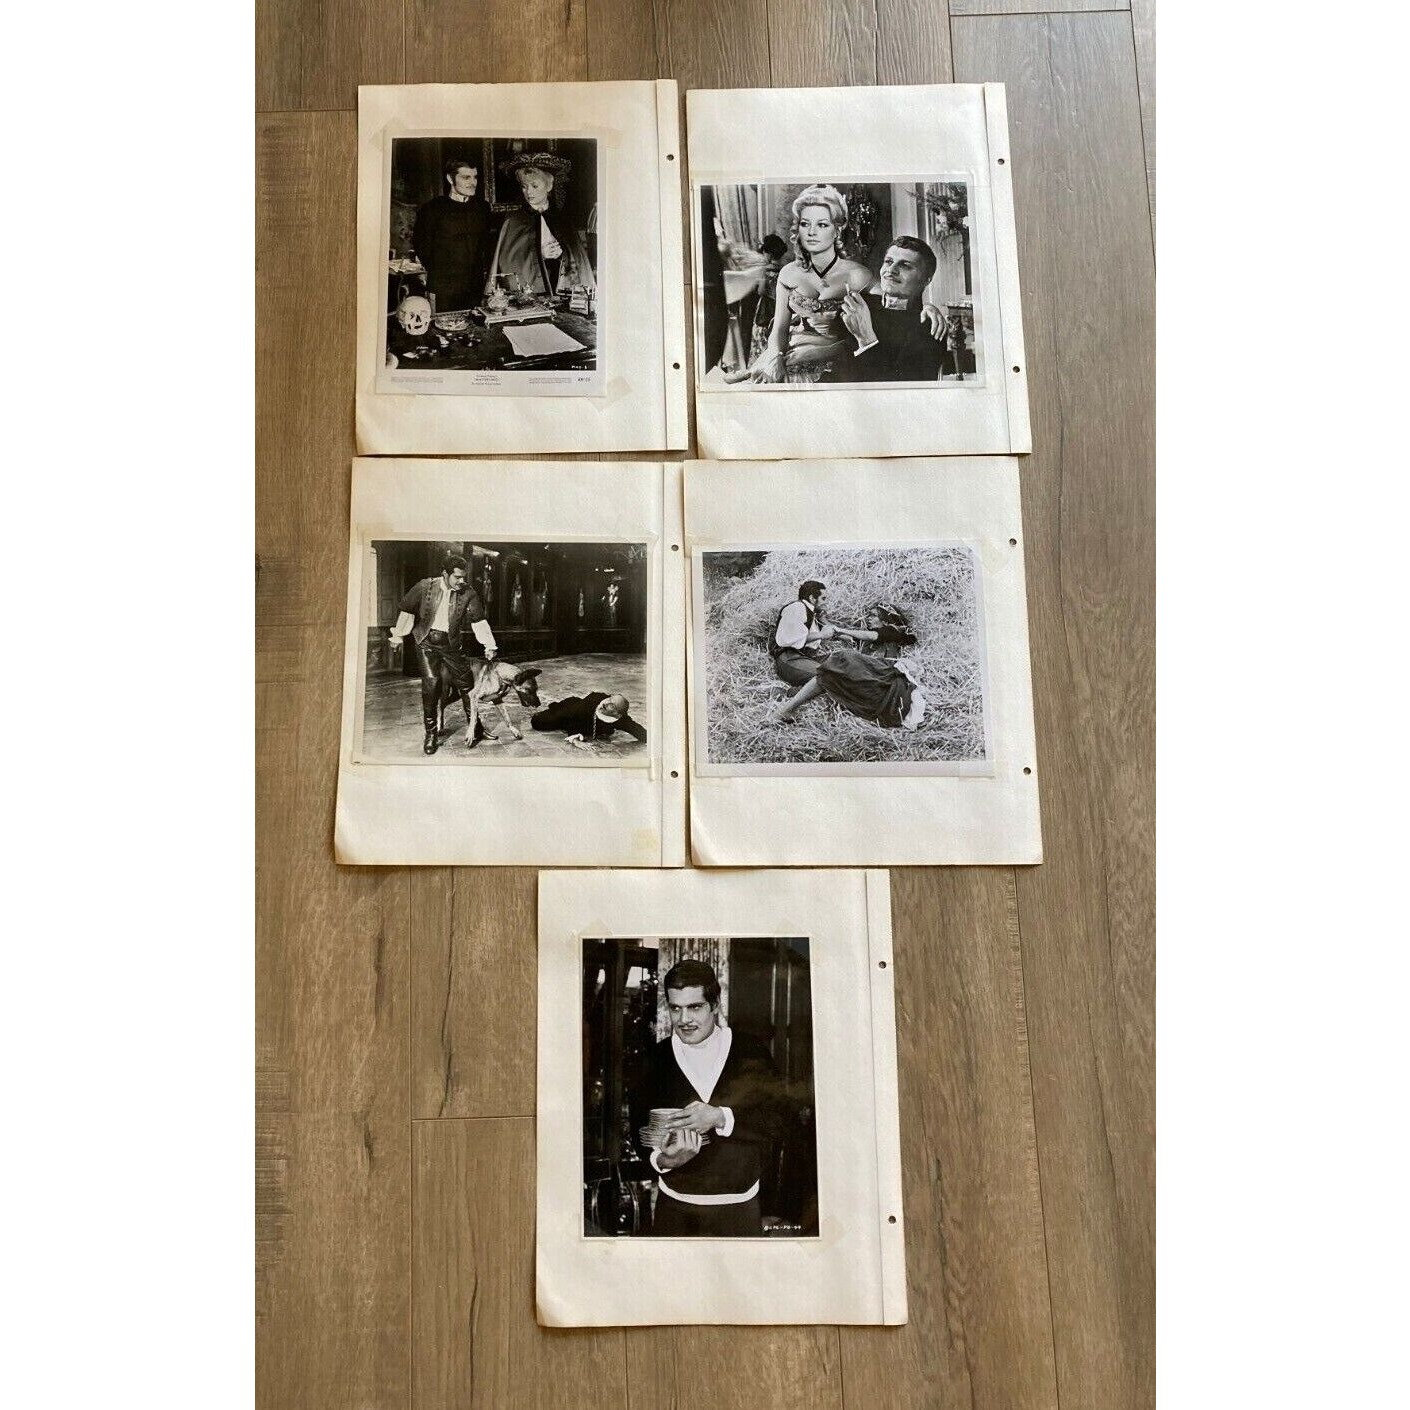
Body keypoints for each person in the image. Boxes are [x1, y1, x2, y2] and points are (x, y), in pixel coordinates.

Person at [634, 960, 785, 1237]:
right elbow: (638, 1131)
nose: (684, 1019)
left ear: (715, 1004)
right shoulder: (654, 1059)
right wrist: (666, 1161)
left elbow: (778, 1121)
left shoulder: (752, 1052)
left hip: (740, 1207)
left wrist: (720, 1117)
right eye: (675, 1008)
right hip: (674, 1208)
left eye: (695, 1007)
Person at [738, 187, 943, 385]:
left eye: (822, 225)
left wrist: (927, 306)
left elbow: (894, 298)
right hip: (791, 355)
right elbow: (780, 329)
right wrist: (775, 355)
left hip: (836, 367)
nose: (812, 232)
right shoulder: (788, 273)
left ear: (836, 230)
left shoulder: (859, 276)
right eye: (805, 224)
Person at [387, 553, 498, 754]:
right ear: (445, 574)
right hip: (426, 643)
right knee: (432, 686)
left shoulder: (468, 592)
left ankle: (477, 728)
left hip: (451, 645)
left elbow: (479, 620)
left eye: (463, 577)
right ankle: (431, 734)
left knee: (467, 685)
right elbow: (407, 611)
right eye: (457, 577)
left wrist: (489, 645)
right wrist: (397, 636)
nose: (461, 581)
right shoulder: (425, 586)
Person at [775, 603, 928, 729]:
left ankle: (792, 702)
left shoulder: (893, 632)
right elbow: (842, 635)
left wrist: (840, 629)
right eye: (868, 615)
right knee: (829, 672)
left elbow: (871, 635)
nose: (868, 618)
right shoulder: (865, 640)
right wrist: (824, 621)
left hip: (882, 682)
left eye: (873, 615)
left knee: (843, 657)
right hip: (867, 682)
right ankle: (788, 708)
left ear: (885, 620)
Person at [822, 237, 948, 384]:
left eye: (905, 266)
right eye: (888, 261)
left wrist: (866, 339)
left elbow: (905, 391)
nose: (891, 270)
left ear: (926, 279)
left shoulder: (929, 325)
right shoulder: (860, 305)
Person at [484, 152, 596, 298]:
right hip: (529, 294)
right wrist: (539, 255)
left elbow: (577, 261)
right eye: (524, 186)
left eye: (535, 186)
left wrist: (561, 256)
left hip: (560, 290)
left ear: (549, 186)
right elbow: (508, 263)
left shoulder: (562, 220)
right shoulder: (513, 220)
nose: (529, 192)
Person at [410, 157, 492, 314]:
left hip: (476, 288)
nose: (473, 182)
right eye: (466, 177)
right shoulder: (432, 209)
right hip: (443, 290)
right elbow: (422, 246)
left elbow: (487, 246)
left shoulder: (483, 208)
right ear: (450, 178)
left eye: (475, 177)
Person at [769, 580, 836, 686]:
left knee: (843, 664)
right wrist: (821, 635)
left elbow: (830, 629)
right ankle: (795, 692)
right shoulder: (797, 608)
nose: (825, 602)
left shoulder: (812, 611)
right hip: (789, 658)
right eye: (823, 598)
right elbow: (791, 637)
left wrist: (823, 620)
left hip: (805, 657)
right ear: (812, 598)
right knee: (827, 677)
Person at [528, 691, 646, 746]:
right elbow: (574, 717)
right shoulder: (594, 699)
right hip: (571, 711)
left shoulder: (621, 719)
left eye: (612, 705)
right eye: (609, 698)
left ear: (617, 714)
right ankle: (556, 707)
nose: (606, 703)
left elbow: (637, 730)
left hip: (582, 717)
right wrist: (575, 740)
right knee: (539, 722)